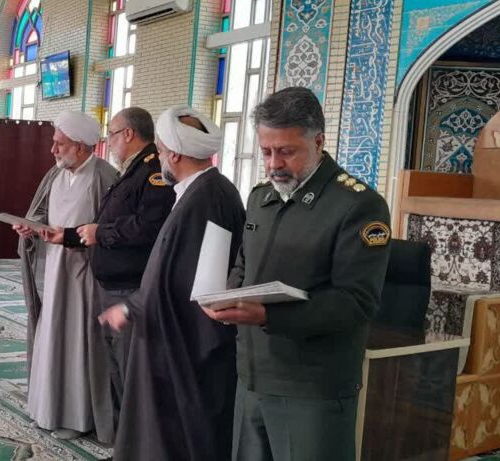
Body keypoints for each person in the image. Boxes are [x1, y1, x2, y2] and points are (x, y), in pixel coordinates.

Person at [202, 87, 391, 461]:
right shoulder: (261, 197)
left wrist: (267, 315)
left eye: (286, 152)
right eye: (266, 152)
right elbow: (244, 264)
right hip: (253, 374)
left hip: (311, 385)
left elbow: (357, 301)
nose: (274, 164)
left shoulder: (357, 205)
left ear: (318, 142)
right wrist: (227, 296)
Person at [99, 106, 243, 460]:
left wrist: (132, 307)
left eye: (161, 151)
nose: (160, 157)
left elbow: (187, 278)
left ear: (174, 154)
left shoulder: (206, 198)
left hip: (185, 344)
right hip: (179, 333)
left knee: (176, 434)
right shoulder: (203, 190)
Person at [50, 107, 174, 425]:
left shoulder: (152, 171)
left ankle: (137, 440)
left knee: (131, 368)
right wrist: (66, 236)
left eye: (113, 134)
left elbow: (148, 228)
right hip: (112, 285)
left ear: (128, 134)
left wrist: (99, 233)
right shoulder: (131, 171)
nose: (110, 141)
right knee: (117, 366)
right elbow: (106, 223)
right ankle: (123, 436)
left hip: (130, 287)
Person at [15, 110, 118, 442]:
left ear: (81, 146)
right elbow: (41, 214)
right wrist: (30, 227)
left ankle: (78, 417)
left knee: (78, 344)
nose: (53, 150)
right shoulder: (55, 174)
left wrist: (75, 238)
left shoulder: (104, 176)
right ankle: (48, 410)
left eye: (59, 144)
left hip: (86, 277)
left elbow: (112, 231)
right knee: (53, 339)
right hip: (55, 271)